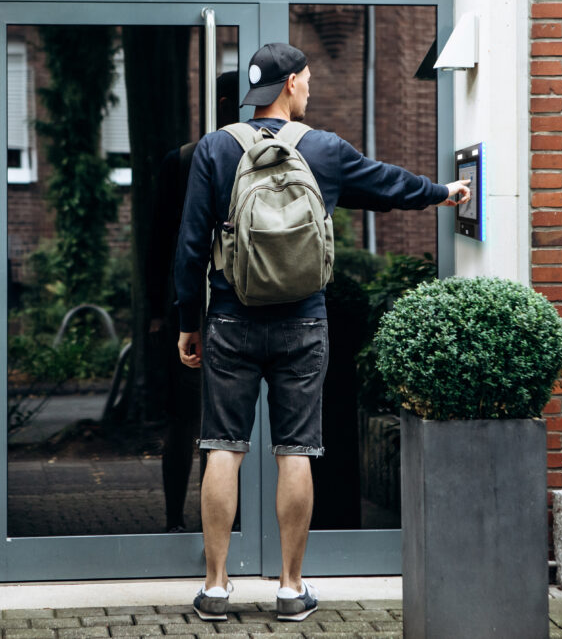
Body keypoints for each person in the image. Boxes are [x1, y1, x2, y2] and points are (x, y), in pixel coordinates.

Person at [174, 42, 471, 622]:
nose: (309, 89)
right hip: (303, 320)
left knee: (223, 448)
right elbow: (386, 186)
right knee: (296, 451)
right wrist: (443, 191)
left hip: (231, 319)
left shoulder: (214, 149)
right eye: (306, 80)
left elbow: (189, 249)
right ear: (288, 85)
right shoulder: (325, 150)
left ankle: (215, 588)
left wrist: (190, 324)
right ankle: (289, 588)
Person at [147, 72, 240, 533]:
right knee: (198, 423)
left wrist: (159, 312)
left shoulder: (184, 159)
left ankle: (180, 522)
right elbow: (162, 241)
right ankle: (184, 520)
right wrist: (161, 313)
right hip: (215, 304)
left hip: (204, 304)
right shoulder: (187, 160)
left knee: (192, 422)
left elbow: (160, 243)